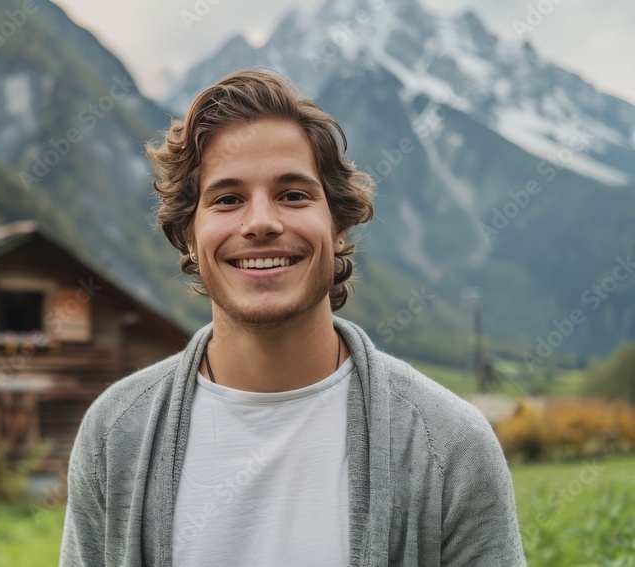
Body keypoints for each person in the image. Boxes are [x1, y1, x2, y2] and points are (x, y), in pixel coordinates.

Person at [59, 69, 525, 566]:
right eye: (227, 199)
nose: (261, 222)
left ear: (339, 224)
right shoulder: (116, 434)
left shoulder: (449, 446)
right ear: (189, 238)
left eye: (293, 194)